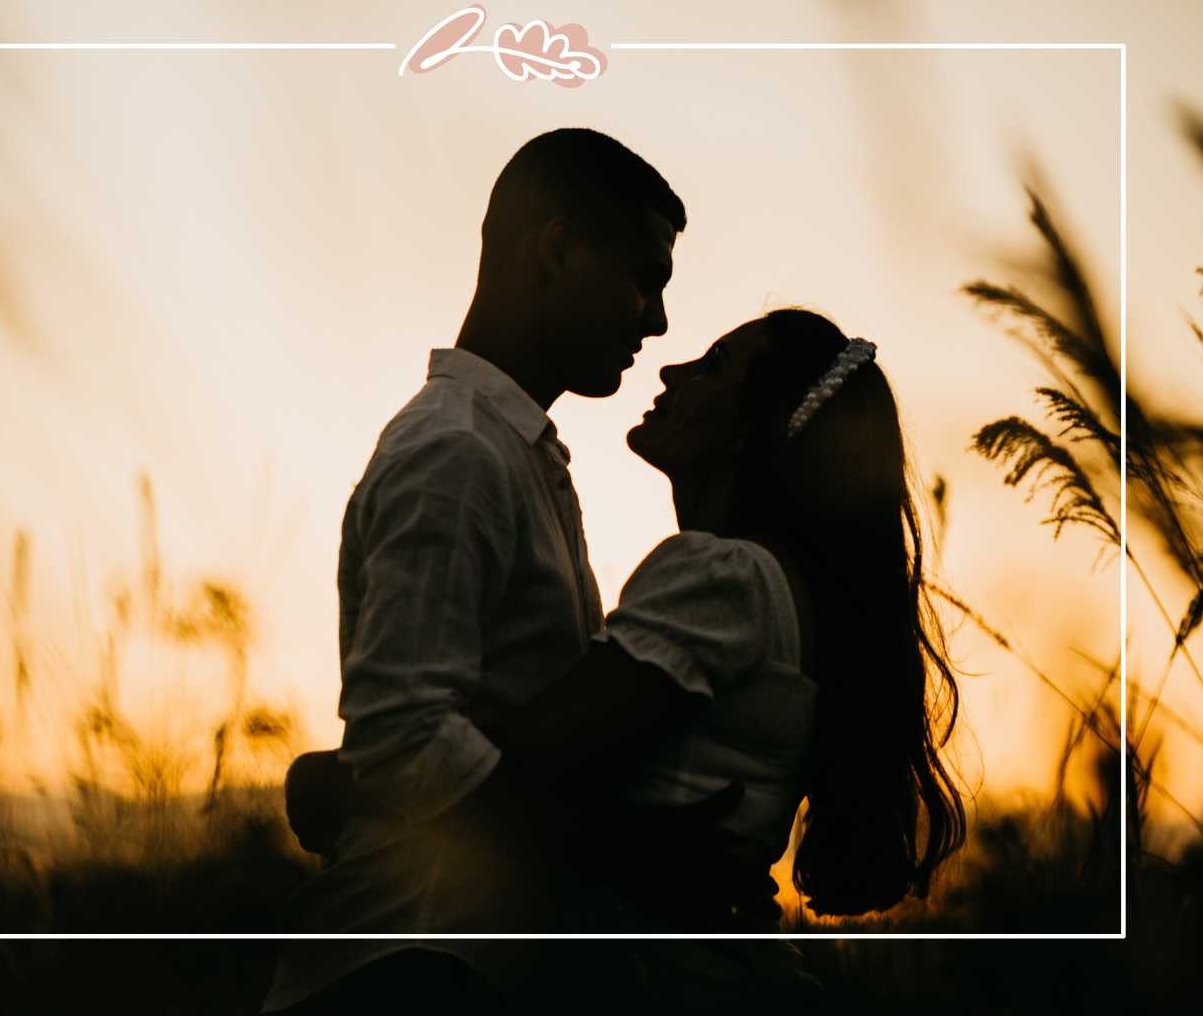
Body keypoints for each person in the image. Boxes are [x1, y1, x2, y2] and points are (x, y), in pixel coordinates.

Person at [286, 308, 968, 1012]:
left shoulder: (723, 578)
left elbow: (530, 765)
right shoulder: (783, 590)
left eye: (712, 366)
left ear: (747, 428)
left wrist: (343, 780)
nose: (671, 368)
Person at [260, 127, 686, 1014]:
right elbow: (405, 732)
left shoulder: (510, 452)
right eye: (645, 278)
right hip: (402, 970)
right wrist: (598, 850)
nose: (656, 320)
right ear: (559, 250)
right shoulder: (455, 453)